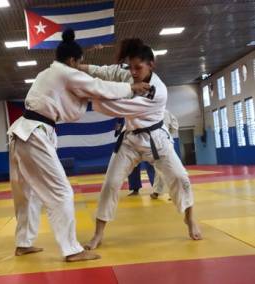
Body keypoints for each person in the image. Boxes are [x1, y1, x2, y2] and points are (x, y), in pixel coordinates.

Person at [8, 30, 150, 262]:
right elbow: (98, 86)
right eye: (80, 62)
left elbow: (74, 105)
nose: (80, 66)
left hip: (21, 133)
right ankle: (72, 249)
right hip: (33, 134)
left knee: (28, 193)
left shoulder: (49, 73)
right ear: (73, 60)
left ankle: (23, 243)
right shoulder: (66, 73)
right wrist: (130, 88)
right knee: (62, 192)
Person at [78, 38, 202, 250]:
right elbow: (108, 71)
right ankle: (98, 233)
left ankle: (190, 219)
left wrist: (88, 94)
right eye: (131, 67)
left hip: (156, 140)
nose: (133, 72)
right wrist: (78, 68)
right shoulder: (129, 73)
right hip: (130, 140)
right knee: (110, 184)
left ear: (151, 65)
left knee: (181, 178)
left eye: (138, 67)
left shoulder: (157, 91)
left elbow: (119, 108)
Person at [150, 109, 179, 199]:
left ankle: (174, 192)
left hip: (157, 143)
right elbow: (175, 126)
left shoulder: (149, 112)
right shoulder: (166, 112)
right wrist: (169, 133)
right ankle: (156, 191)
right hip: (166, 141)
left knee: (163, 169)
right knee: (160, 168)